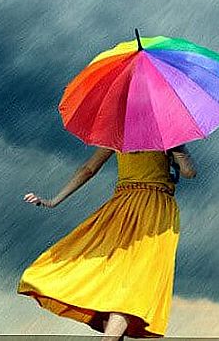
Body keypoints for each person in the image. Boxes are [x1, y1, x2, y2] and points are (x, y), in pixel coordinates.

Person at [18, 144, 196, 341]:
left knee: (115, 274)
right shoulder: (166, 136)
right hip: (155, 211)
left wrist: (53, 201)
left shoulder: (120, 132)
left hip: (123, 206)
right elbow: (190, 172)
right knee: (136, 281)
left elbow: (88, 169)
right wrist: (177, 149)